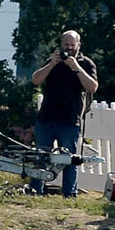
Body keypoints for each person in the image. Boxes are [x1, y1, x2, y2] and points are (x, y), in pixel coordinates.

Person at [29, 30, 99, 196]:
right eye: (66, 45)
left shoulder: (86, 64)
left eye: (72, 46)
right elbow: (36, 80)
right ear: (61, 45)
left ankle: (69, 193)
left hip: (70, 119)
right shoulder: (53, 61)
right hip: (47, 117)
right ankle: (35, 190)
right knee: (41, 156)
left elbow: (92, 87)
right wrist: (52, 64)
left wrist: (76, 67)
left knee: (69, 159)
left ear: (78, 46)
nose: (68, 49)